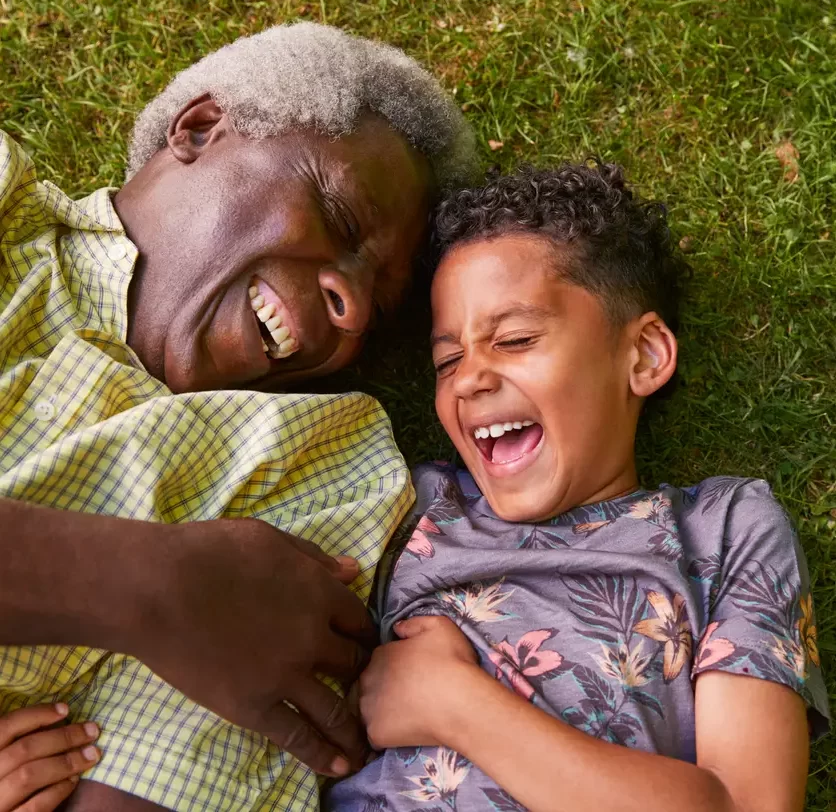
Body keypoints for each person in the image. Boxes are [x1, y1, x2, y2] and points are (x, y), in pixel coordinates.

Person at [0, 22, 477, 811]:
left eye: (380, 305)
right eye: (339, 214)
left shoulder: (319, 471)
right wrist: (150, 584)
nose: (351, 306)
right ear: (199, 128)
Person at [327, 163, 830, 812]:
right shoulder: (408, 506)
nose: (469, 378)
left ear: (644, 356)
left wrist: (455, 704)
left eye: (514, 339)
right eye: (447, 360)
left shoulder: (729, 529)